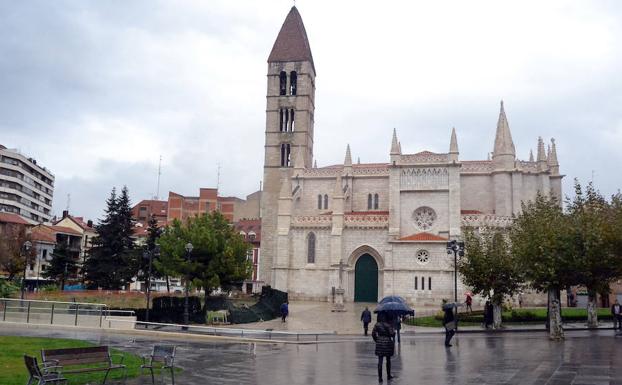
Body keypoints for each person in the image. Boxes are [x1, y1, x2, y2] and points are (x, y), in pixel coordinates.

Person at [372, 313, 395, 382]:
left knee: (380, 361)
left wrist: (377, 340)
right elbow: (392, 334)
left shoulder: (377, 325)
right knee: (388, 360)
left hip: (379, 343)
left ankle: (380, 378)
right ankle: (388, 375)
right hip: (387, 343)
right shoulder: (388, 325)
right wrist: (393, 331)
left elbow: (373, 334)